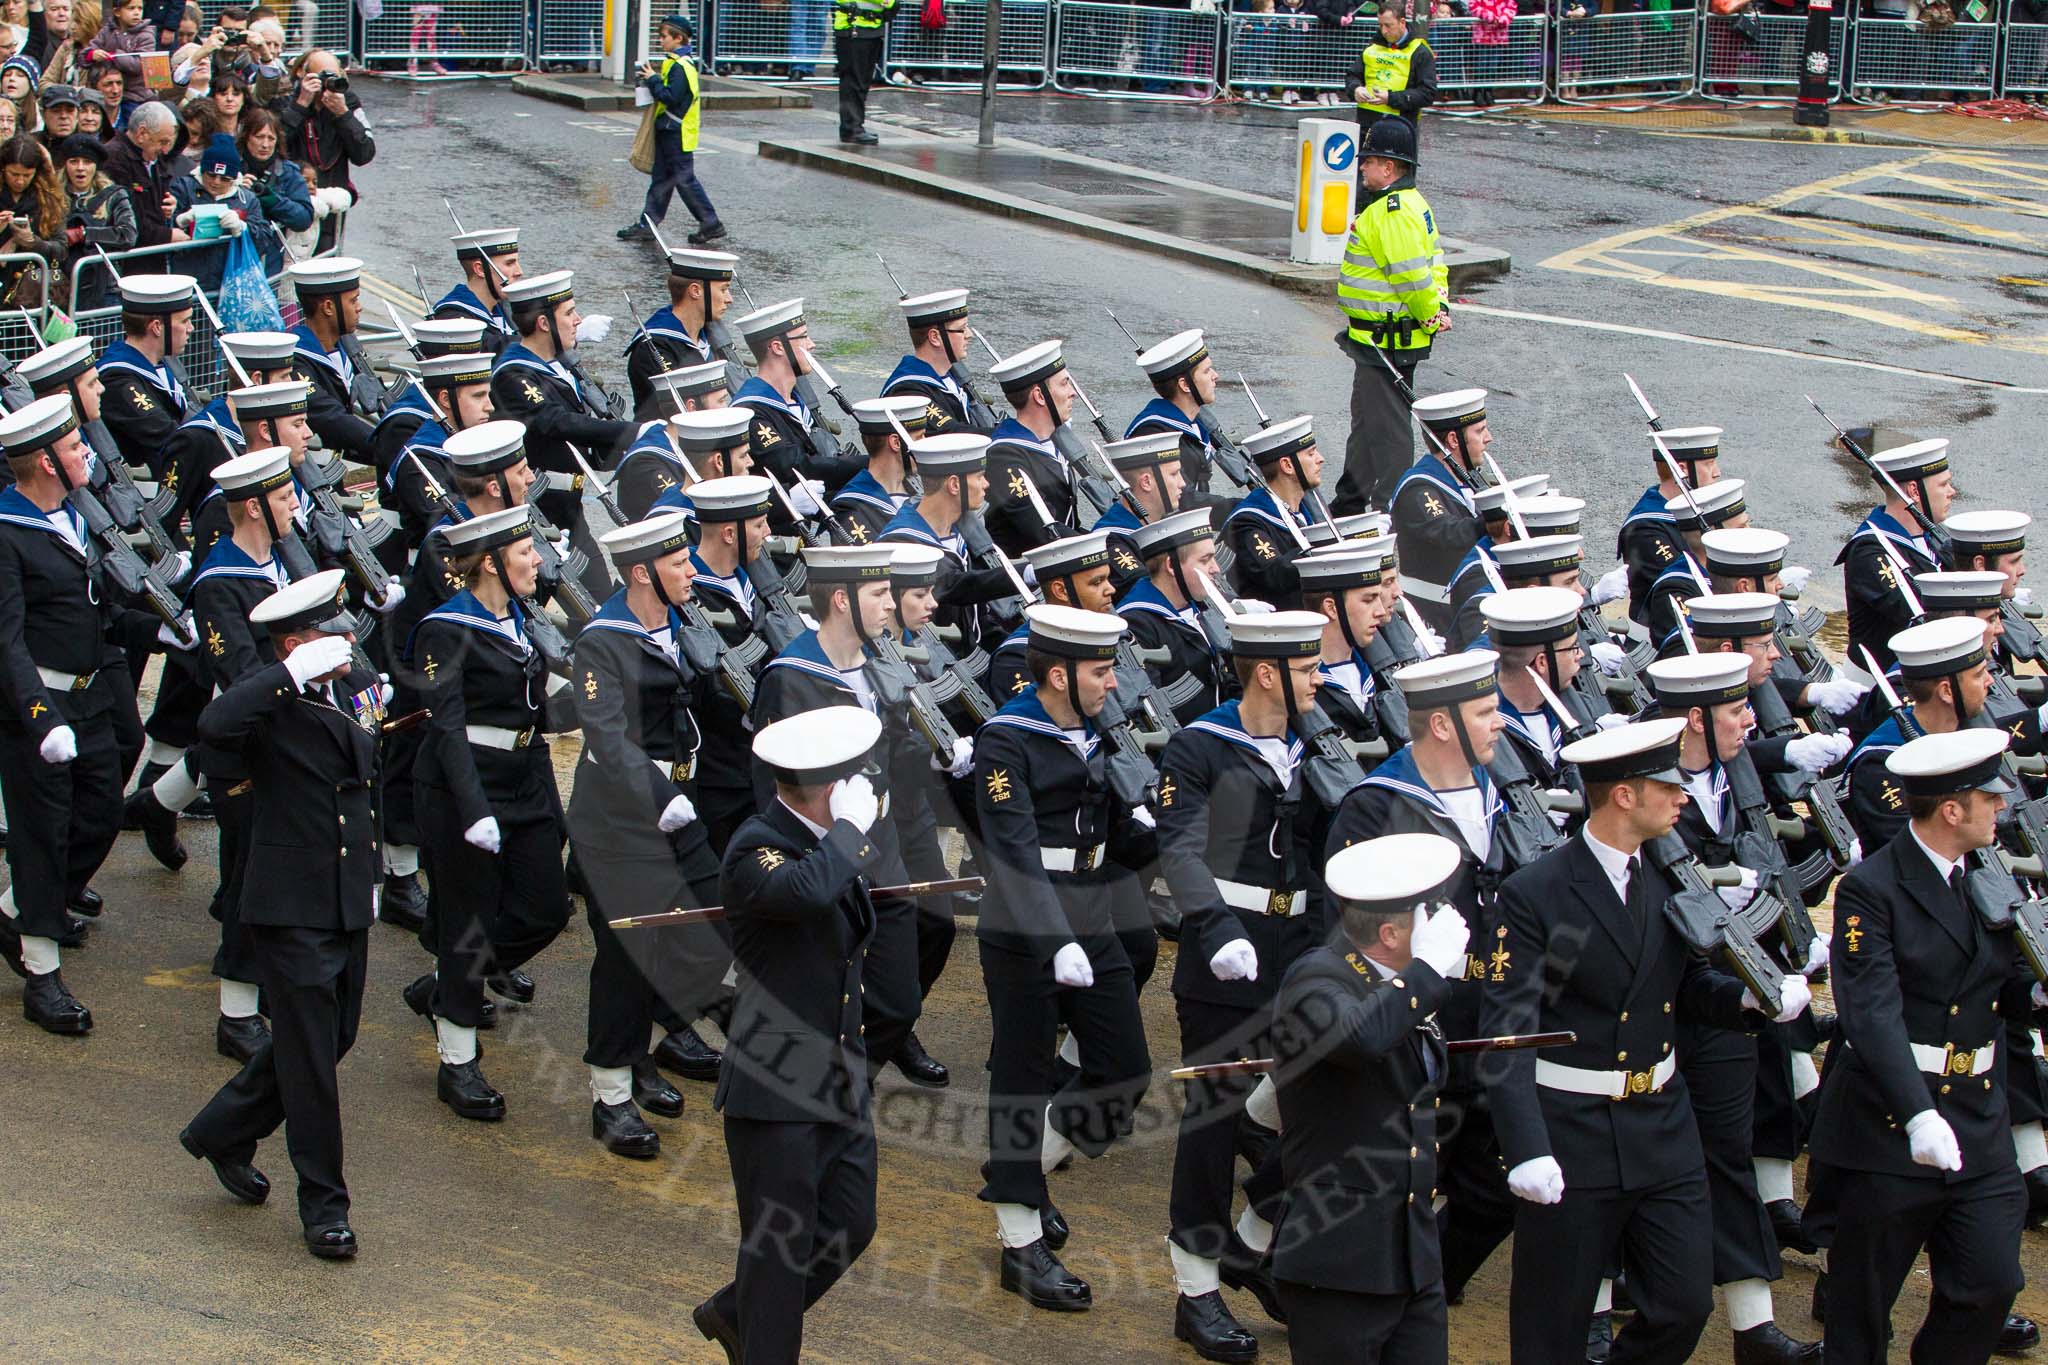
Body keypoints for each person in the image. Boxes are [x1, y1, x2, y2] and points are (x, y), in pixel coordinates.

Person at [1483, 716, 1810, 1365]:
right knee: (1553, 1326)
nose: (1683, 794)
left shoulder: (1668, 876)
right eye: (1668, 783)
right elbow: (1507, 1029)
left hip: (1662, 1124)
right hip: (1572, 1129)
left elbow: (1687, 982)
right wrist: (1524, 1145)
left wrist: (1744, 998)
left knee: (1684, 1303)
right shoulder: (1535, 892)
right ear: (1625, 794)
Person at [1810, 727, 2041, 1363]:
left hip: (1979, 1115)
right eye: (1990, 799)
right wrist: (1916, 1113)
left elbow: (2008, 983)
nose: (2003, 807)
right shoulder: (1871, 890)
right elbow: (1871, 1013)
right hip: (1891, 1124)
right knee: (1861, 1308)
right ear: (1951, 809)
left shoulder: (1987, 872)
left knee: (1991, 1283)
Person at [176, 569, 381, 1262]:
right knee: (313, 1065)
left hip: (346, 895)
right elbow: (213, 725)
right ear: (297, 643)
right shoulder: (270, 702)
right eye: (333, 632)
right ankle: (325, 1205)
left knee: (330, 1040)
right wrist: (285, 673)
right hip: (290, 902)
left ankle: (220, 1128)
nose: (349, 640)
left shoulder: (347, 691)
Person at [1156, 609, 1337, 1358]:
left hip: (1304, 944)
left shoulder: (1319, 739)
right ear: (1269, 673)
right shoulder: (1199, 746)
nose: (1321, 678)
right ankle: (1195, 1288)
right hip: (1227, 951)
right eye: (1308, 668)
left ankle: (1253, 1238)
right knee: (1213, 1121)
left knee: (1320, 1104)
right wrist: (1216, 926)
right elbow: (1180, 848)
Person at [972, 603, 1156, 1314]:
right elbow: (1016, 857)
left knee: (1126, 1069)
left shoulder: (1101, 735)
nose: (1113, 683)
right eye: (1102, 671)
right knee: (1019, 1077)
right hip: (1024, 932)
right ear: (1058, 673)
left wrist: (1160, 824)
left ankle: (1027, 1166)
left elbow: (1111, 843)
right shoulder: (1006, 740)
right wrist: (1057, 944)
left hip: (1093, 918)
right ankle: (1020, 1242)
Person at [691, 704, 887, 1365]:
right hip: (774, 1091)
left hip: (838, 1077)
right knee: (777, 1254)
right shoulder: (756, 846)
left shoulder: (821, 845)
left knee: (852, 1221)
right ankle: (756, 1329)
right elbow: (804, 893)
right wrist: (853, 832)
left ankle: (733, 1311)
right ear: (833, 788)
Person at [399, 502, 575, 1124]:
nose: (538, 562)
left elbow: (535, 712)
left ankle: (444, 987)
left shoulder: (520, 618)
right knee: (467, 924)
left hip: (523, 784)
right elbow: (444, 727)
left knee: (546, 908)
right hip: (460, 791)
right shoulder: (445, 628)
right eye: (527, 552)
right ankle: (458, 1065)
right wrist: (473, 810)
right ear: (493, 563)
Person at [1267, 832, 1471, 1365]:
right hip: (1339, 1263)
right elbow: (1361, 1038)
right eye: (1429, 917)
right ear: (1388, 933)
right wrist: (1424, 973)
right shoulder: (1315, 979)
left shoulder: (1403, 983)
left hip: (1411, 1256)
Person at [0, 392, 129, 1035]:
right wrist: (39, 718)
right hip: (40, 711)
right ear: (47, 463)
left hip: (91, 694)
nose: (88, 453)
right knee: (40, 836)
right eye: (77, 446)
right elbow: (7, 640)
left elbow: (96, 605)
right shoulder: (7, 535)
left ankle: (16, 909)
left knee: (102, 812)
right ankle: (41, 974)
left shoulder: (76, 514)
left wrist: (164, 625)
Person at [181, 446, 299, 1064]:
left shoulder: (280, 560)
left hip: (286, 739)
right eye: (283, 499)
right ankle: (235, 1013)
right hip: (247, 746)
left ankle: (262, 988)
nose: (295, 506)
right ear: (253, 507)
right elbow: (241, 670)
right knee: (247, 877)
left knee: (270, 872)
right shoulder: (218, 584)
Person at [489, 268, 634, 602]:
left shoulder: (559, 367)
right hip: (535, 510)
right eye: (569, 313)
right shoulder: (513, 375)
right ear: (543, 324)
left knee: (600, 601)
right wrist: (630, 432)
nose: (578, 320)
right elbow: (557, 422)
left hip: (570, 508)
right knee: (528, 606)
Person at [1334, 116, 1446, 517]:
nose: (1361, 166)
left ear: (1389, 167)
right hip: (1376, 341)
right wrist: (1439, 310)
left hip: (1384, 341)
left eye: (1369, 160)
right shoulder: (1410, 205)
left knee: (1389, 432)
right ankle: (1348, 503)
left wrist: (1431, 316)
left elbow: (1414, 280)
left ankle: (1392, 512)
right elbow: (1436, 265)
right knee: (1367, 427)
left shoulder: (1392, 213)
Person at [1838, 435, 1953, 672]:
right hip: (1878, 691)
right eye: (1943, 485)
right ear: (1914, 491)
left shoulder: (1932, 537)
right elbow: (1919, 614)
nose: (1951, 492)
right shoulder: (1869, 551)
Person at [623, 14, 722, 246]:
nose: (661, 40)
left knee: (684, 181)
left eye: (664, 36)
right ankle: (647, 225)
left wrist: (654, 80)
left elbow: (670, 97)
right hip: (669, 130)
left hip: (675, 132)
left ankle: (710, 222)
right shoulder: (676, 63)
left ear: (679, 38)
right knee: (662, 179)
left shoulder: (681, 67)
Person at [982, 338, 1083, 556]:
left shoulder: (1055, 442)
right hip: (1029, 578)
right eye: (1065, 384)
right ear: (1039, 396)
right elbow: (1044, 529)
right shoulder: (1004, 456)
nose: (1073, 392)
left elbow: (1069, 523)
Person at [1124, 327, 1233, 520]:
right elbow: (1182, 501)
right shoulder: (1153, 432)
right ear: (1184, 385)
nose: (1215, 376)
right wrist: (1241, 510)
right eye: (1207, 371)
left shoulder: (1195, 423)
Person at [1618, 425, 1720, 627]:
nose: (1717, 472)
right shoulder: (1645, 530)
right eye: (1709, 464)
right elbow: (1684, 585)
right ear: (1682, 469)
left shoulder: (1700, 511)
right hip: (1663, 628)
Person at [94, 270, 195, 476]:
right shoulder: (117, 380)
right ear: (157, 327)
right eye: (184, 321)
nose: (191, 328)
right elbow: (168, 436)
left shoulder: (161, 362)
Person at [274, 48, 371, 252]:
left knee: (326, 266)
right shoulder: (286, 99)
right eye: (321, 76)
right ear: (302, 73)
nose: (327, 83)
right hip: (292, 199)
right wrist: (301, 105)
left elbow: (364, 154)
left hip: (331, 201)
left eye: (333, 76)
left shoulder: (348, 101)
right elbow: (272, 145)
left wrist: (343, 114)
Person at [284, 256, 379, 461]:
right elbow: (331, 418)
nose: (359, 307)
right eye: (353, 300)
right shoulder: (296, 360)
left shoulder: (344, 345)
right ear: (328, 307)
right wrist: (387, 443)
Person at [623, 244, 734, 419]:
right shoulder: (653, 346)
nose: (729, 299)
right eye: (723, 289)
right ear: (695, 291)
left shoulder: (710, 337)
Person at [1222, 414, 1323, 604]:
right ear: (1287, 465)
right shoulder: (1247, 523)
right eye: (1311, 454)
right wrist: (1324, 549)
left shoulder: (1302, 512)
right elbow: (1275, 574)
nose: (1320, 459)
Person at [882, 287, 995, 437]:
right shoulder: (908, 392)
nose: (969, 335)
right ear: (935, 337)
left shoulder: (950, 376)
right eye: (961, 329)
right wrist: (1009, 434)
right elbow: (952, 434)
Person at [169, 130, 275, 281]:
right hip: (188, 280)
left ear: (234, 178)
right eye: (211, 175)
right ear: (202, 171)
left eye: (224, 179)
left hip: (231, 282)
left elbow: (264, 239)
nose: (216, 182)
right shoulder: (183, 188)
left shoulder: (246, 198)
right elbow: (162, 227)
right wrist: (180, 221)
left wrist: (242, 228)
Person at [828, 395, 921, 543]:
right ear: (896, 443)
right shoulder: (852, 508)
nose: (925, 446)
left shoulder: (923, 491)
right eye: (919, 438)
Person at [54, 129, 131, 308]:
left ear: (96, 166)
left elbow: (128, 234)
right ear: (65, 165)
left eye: (87, 162)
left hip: (104, 289)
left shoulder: (114, 195)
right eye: (74, 161)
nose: (80, 167)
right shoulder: (52, 196)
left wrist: (85, 234)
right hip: (61, 288)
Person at [100, 97, 181, 249]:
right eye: (162, 142)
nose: (165, 150)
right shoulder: (113, 159)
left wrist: (169, 206)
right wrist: (167, 236)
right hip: (126, 258)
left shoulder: (152, 156)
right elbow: (127, 219)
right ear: (142, 133)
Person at [1353, 1, 1437, 147]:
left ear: (1402, 22)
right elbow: (1353, 75)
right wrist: (1355, 89)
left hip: (1400, 127)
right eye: (1380, 25)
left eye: (1388, 25)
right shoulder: (1372, 46)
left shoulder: (1420, 51)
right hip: (1366, 124)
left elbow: (1427, 93)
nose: (1384, 31)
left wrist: (1391, 98)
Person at [0, 134, 69, 307]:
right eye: (13, 174)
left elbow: (61, 249)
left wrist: (33, 243)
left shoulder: (49, 200)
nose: (19, 181)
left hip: (33, 295)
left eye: (27, 175)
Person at [432, 225, 522, 353]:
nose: (519, 272)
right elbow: (494, 348)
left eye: (517, 262)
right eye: (509, 263)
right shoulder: (453, 319)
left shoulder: (507, 308)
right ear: (480, 269)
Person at [831, 0, 891, 144]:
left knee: (861, 81)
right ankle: (852, 129)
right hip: (855, 27)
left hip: (868, 28)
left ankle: (854, 127)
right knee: (854, 81)